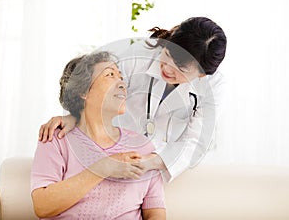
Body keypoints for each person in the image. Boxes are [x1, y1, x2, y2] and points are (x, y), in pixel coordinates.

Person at [39, 16, 227, 182]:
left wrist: (152, 162)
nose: (168, 68)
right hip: (112, 152)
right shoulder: (138, 54)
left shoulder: (213, 86)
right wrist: (75, 116)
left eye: (181, 69)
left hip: (161, 165)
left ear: (202, 75)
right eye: (167, 54)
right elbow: (98, 89)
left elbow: (197, 141)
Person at [31, 51, 166, 219]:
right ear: (84, 91)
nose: (122, 83)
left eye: (121, 76)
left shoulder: (142, 146)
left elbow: (155, 212)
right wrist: (104, 167)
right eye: (110, 75)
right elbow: (42, 206)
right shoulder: (56, 138)